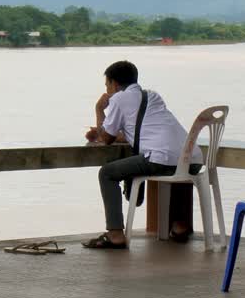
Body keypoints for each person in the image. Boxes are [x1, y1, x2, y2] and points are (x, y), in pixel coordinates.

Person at [82, 60, 201, 249]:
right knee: (177, 166)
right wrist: (103, 133)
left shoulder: (118, 99)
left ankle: (115, 234)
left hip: (162, 159)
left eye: (107, 85)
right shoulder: (152, 96)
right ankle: (180, 225)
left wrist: (98, 109)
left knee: (106, 173)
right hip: (194, 158)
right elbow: (139, 131)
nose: (107, 90)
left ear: (114, 83)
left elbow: (107, 139)